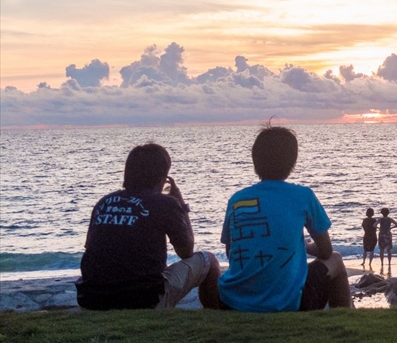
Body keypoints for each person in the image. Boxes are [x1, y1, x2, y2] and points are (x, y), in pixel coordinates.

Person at [217, 125, 352, 312]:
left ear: (255, 161)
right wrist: (305, 246)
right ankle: (345, 322)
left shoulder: (237, 199)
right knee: (336, 259)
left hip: (233, 301)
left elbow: (232, 253)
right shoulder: (303, 196)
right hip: (286, 304)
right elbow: (326, 251)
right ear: (292, 162)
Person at [75, 143, 220, 310]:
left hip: (92, 298)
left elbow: (91, 247)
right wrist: (181, 205)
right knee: (209, 260)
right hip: (143, 300)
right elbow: (186, 251)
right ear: (162, 177)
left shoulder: (104, 202)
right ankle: (215, 317)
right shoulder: (165, 203)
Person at [376, 207, 397, 272]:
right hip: (388, 234)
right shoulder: (390, 219)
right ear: (388, 213)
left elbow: (374, 225)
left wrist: (379, 228)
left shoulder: (380, 219)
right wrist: (391, 228)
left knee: (381, 249)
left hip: (382, 234)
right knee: (389, 250)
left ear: (382, 213)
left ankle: (382, 263)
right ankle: (389, 263)